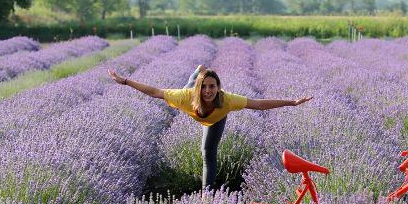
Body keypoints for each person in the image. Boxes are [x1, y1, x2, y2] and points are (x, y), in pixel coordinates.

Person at [108, 65, 312, 191]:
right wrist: (124, 81)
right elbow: (154, 92)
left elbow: (258, 104)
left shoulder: (227, 100)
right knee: (188, 84)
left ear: (218, 87)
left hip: (215, 117)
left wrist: (291, 103)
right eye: (204, 86)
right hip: (191, 98)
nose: (208, 90)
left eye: (212, 86)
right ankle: (198, 71)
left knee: (208, 152)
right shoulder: (185, 97)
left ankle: (208, 195)